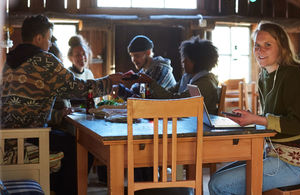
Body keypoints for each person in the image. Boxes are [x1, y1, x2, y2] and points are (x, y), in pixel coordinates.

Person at [0, 15, 123, 195]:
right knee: (81, 148)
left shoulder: (9, 62)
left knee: (67, 140)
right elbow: (78, 88)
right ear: (39, 38)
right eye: (49, 39)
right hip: (27, 136)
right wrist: (109, 81)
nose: (50, 44)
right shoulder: (43, 60)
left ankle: (54, 189)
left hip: (6, 137)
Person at [208, 22, 300, 194]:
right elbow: (271, 118)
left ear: (282, 48)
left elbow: (298, 124)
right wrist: (250, 118)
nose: (260, 50)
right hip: (273, 154)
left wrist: (256, 119)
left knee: (219, 185)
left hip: (294, 164)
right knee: (215, 178)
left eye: (267, 45)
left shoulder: (293, 75)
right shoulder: (264, 76)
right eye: (257, 46)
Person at [131, 36, 219, 115]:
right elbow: (169, 93)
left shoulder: (205, 83)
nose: (183, 62)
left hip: (200, 126)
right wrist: (142, 96)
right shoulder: (187, 78)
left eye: (186, 60)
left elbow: (176, 101)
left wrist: (150, 82)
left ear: (197, 61)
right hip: (189, 121)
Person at [116, 35, 176, 100]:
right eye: (132, 56)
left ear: (148, 52)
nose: (133, 60)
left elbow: (151, 97)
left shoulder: (161, 68)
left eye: (137, 56)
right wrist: (120, 89)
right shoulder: (143, 72)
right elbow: (140, 96)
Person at [67, 35, 95, 107]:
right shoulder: (67, 74)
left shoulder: (89, 74)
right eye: (77, 55)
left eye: (83, 54)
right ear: (70, 58)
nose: (82, 57)